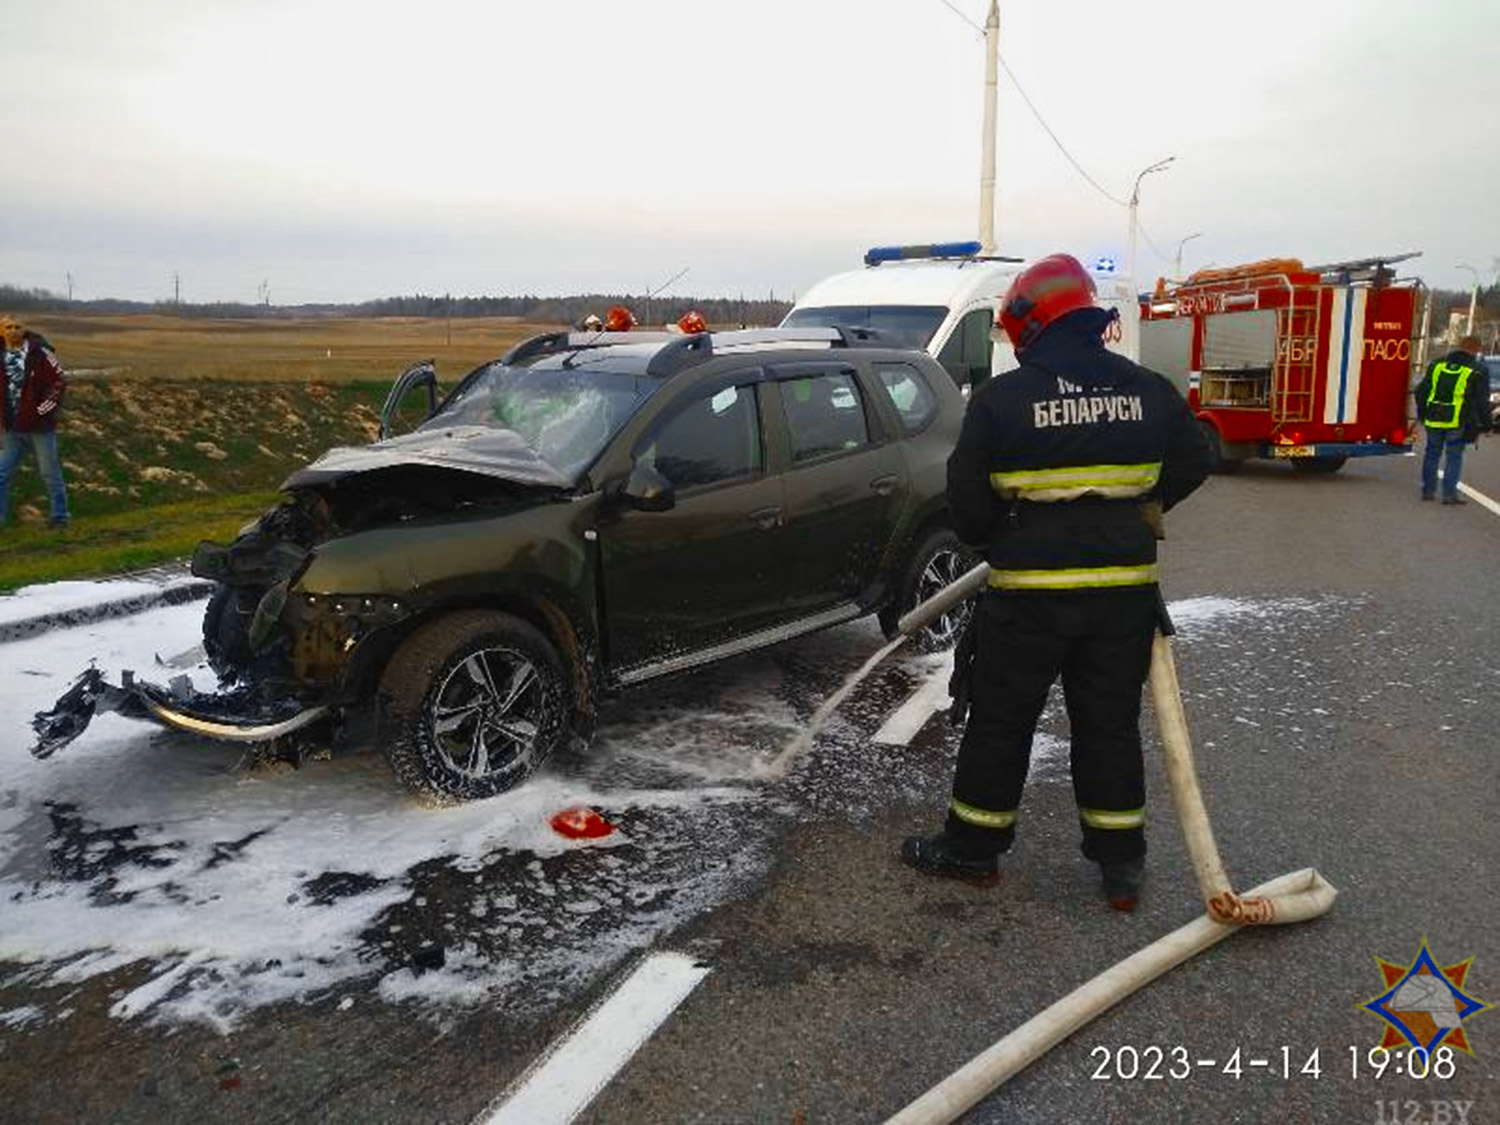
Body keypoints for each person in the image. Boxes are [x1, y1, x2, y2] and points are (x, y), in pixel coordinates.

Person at [901, 254, 1211, 911]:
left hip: (1029, 599)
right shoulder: (1147, 389)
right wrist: (1140, 510)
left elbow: (969, 510)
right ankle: (1121, 869)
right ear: (1089, 318)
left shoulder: (1001, 401)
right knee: (1108, 726)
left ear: (1028, 326)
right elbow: (1196, 456)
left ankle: (973, 851)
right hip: (1122, 596)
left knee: (1002, 724)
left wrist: (1007, 535)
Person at [0, 314, 69, 530]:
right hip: (12, 428)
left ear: (24, 330)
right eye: (8, 327)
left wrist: (43, 410)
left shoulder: (40, 353)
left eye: (17, 326)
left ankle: (60, 517)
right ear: (1, 331)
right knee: (2, 473)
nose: (13, 330)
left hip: (40, 428)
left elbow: (59, 381)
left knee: (50, 473)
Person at [1414, 335, 1491, 504]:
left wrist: (1422, 414)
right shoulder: (1478, 370)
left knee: (1432, 454)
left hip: (1433, 418)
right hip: (1457, 421)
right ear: (1477, 349)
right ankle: (1449, 495)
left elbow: (1421, 391)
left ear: (1459, 346)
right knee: (1454, 457)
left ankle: (1428, 491)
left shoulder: (1437, 364)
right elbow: (1481, 401)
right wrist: (1487, 425)